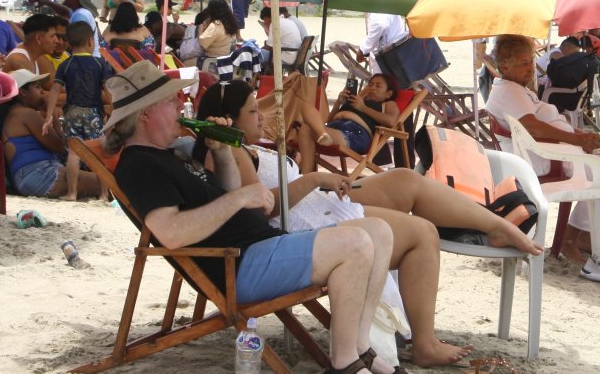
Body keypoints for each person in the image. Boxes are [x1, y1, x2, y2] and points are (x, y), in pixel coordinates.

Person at [199, 81, 543, 366]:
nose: (261, 114)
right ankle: (424, 342)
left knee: (406, 179)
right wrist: (316, 178)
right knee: (422, 232)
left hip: (317, 204)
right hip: (307, 224)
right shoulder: (232, 154)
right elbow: (264, 210)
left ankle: (496, 224)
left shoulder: (246, 148)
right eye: (252, 110)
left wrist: (318, 180)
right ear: (229, 118)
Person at [104, 61, 400, 374]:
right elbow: (172, 233)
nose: (181, 103)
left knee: (379, 231)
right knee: (354, 244)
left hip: (259, 247)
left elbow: (223, 195)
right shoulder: (140, 166)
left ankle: (361, 345)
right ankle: (344, 363)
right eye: (170, 100)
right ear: (146, 114)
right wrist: (242, 196)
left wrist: (220, 152)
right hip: (238, 265)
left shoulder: (171, 153)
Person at [484, 34, 600, 282]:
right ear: (504, 67)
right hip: (542, 162)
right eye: (522, 63)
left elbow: (538, 124)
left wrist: (576, 134)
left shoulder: (515, 89)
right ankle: (571, 240)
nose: (530, 68)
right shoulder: (509, 91)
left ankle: (582, 236)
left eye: (530, 61)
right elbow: (533, 127)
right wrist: (576, 140)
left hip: (546, 154)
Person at [0, 69, 103, 200]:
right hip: (39, 174)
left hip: (28, 176)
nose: (42, 92)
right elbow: (60, 146)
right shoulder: (26, 114)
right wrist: (52, 113)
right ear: (23, 92)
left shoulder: (15, 113)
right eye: (37, 87)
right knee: (104, 183)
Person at [294, 73, 400, 174]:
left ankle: (305, 175)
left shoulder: (388, 104)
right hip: (334, 129)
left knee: (306, 129)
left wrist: (363, 108)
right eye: (371, 84)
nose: (372, 88)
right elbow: (330, 120)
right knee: (305, 108)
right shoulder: (358, 100)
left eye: (378, 86)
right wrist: (338, 103)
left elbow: (391, 121)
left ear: (388, 93)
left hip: (355, 134)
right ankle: (321, 135)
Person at [45, 21, 115, 158]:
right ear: (90, 41)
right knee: (95, 150)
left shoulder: (65, 64)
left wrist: (49, 115)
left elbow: (54, 90)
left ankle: (73, 179)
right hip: (93, 114)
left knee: (74, 151)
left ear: (70, 44)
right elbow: (108, 89)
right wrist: (114, 110)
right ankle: (93, 176)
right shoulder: (99, 63)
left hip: (71, 113)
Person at [542, 36, 595, 111]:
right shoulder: (556, 53)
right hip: (540, 83)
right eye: (575, 52)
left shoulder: (562, 56)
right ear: (568, 47)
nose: (575, 55)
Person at [2, 14, 56, 82]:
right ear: (38, 39)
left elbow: (52, 84)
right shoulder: (20, 60)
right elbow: (35, 92)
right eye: (52, 36)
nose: (56, 41)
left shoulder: (35, 56)